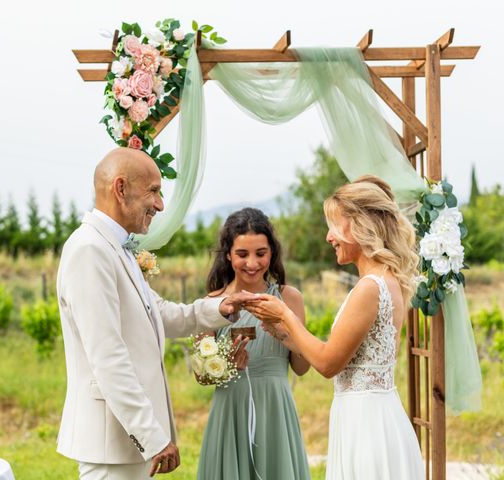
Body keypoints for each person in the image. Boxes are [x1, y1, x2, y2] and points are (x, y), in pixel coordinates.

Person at [55, 147, 254, 479]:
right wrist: (152, 437)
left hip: (123, 445)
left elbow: (158, 313)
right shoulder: (89, 250)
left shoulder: (116, 248)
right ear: (121, 189)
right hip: (111, 442)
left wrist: (219, 308)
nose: (160, 205)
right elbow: (108, 357)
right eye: (154, 191)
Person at [246, 176, 425, 479]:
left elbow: (328, 364)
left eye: (334, 225)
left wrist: (285, 314)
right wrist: (284, 335)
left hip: (367, 423)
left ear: (359, 226)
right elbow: (343, 357)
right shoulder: (383, 280)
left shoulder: (371, 287)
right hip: (368, 414)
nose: (329, 237)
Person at [197, 208, 311, 480]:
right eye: (242, 254)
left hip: (275, 408)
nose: (252, 263)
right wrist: (223, 368)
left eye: (260, 253)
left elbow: (302, 367)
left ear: (272, 253)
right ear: (228, 254)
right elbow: (201, 375)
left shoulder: (289, 298)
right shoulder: (210, 303)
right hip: (230, 411)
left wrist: (285, 332)